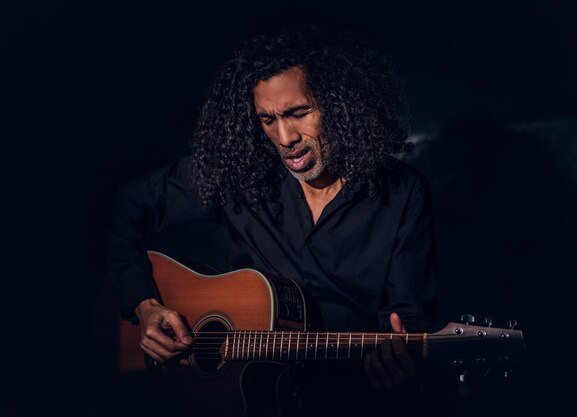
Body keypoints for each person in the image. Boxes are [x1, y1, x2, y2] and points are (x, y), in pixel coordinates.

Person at [107, 25, 437, 415]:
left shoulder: (402, 192)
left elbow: (407, 320)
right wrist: (145, 306)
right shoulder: (239, 173)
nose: (284, 137)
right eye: (267, 119)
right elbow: (125, 207)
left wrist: (397, 355)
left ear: (341, 104)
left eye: (298, 113)